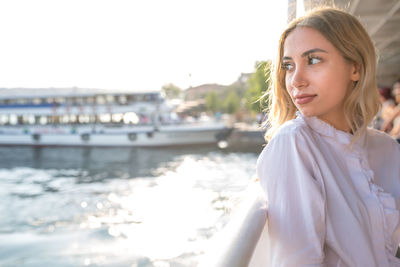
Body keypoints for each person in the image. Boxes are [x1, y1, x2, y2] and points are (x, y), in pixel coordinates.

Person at [256, 7, 400, 266]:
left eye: (313, 60)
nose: (296, 80)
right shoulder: (294, 143)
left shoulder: (387, 148)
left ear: (355, 68)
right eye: (288, 66)